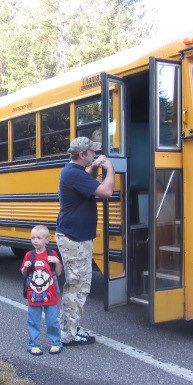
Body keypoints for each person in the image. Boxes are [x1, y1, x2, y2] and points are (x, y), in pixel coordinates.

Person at [56, 137, 115, 346]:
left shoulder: (75, 172)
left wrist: (95, 167)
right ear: (83, 155)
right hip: (75, 239)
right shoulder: (73, 174)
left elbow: (87, 182)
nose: (95, 155)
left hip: (75, 237)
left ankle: (69, 326)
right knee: (77, 287)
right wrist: (110, 168)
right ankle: (68, 334)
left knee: (77, 285)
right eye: (92, 153)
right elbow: (106, 192)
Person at [21, 225, 63, 355]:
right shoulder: (29, 255)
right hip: (33, 295)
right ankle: (33, 344)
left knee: (52, 321)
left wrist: (57, 261)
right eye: (33, 238)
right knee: (33, 321)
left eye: (38, 238)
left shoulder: (52, 254)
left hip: (51, 295)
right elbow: (24, 274)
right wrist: (25, 267)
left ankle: (56, 342)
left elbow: (59, 273)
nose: (35, 240)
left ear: (47, 239)